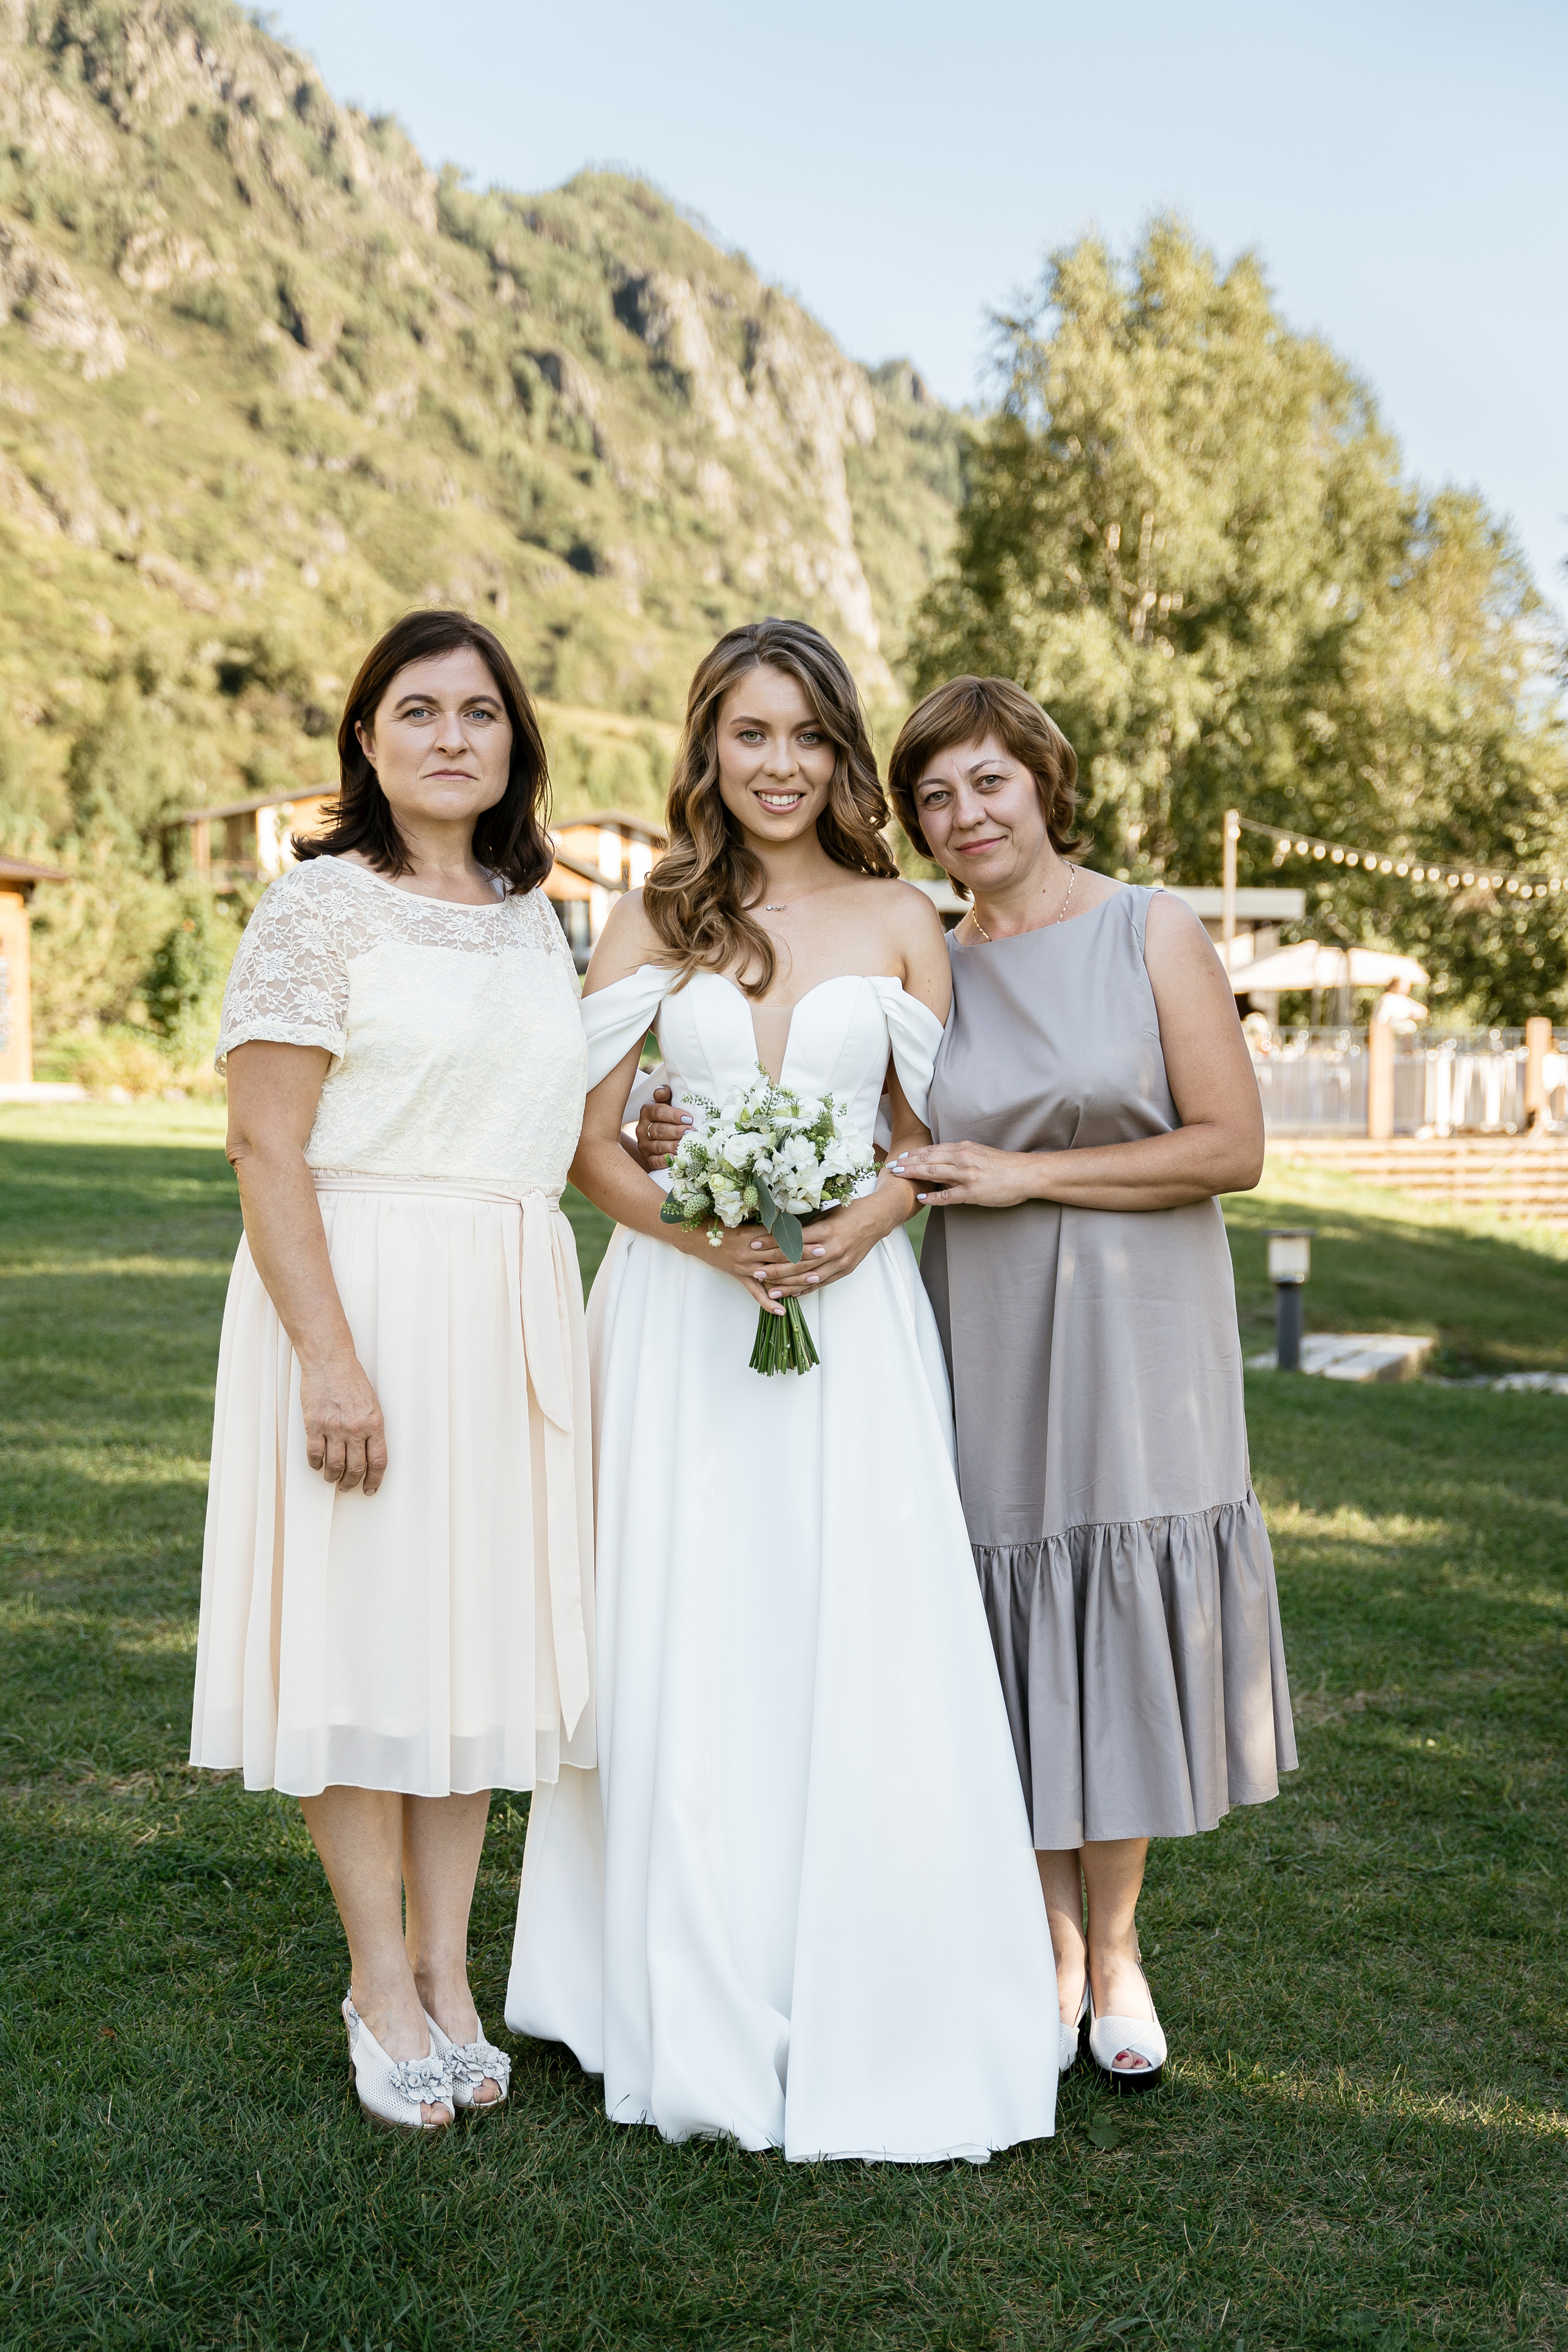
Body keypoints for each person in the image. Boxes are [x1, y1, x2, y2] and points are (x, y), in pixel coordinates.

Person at [506, 619, 1058, 2163]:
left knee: (850, 1616)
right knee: (690, 1622)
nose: (779, 765)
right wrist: (709, 1241)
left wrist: (865, 1218)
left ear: (837, 755)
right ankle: (674, 1971)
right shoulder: (646, 916)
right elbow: (589, 1143)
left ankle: (872, 1969)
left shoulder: (899, 916)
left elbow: (912, 1136)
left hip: (855, 1322)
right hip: (683, 1325)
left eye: (808, 737)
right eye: (750, 735)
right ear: (707, 746)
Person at [189, 610, 595, 2133]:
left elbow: (529, 1117)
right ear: (364, 739)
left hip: (503, 1305)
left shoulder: (528, 914)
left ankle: (451, 1970)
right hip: (358, 1296)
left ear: (512, 743)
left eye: (478, 711)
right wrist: (330, 1359)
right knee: (359, 1639)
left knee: (470, 1643)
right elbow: (263, 1142)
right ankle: (377, 1980)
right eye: (414, 710)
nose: (448, 736)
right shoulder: (316, 909)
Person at [883, 677, 1297, 2092]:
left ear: (1043, 781)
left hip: (1140, 1323)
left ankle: (1113, 1949)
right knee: (1007, 1605)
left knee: (1109, 1608)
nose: (964, 816)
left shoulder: (1148, 928)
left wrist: (1027, 1175)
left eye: (986, 782)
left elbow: (1229, 1145)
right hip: (979, 1322)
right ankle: (1045, 1941)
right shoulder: (924, 957)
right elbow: (879, 1133)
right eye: (934, 796)